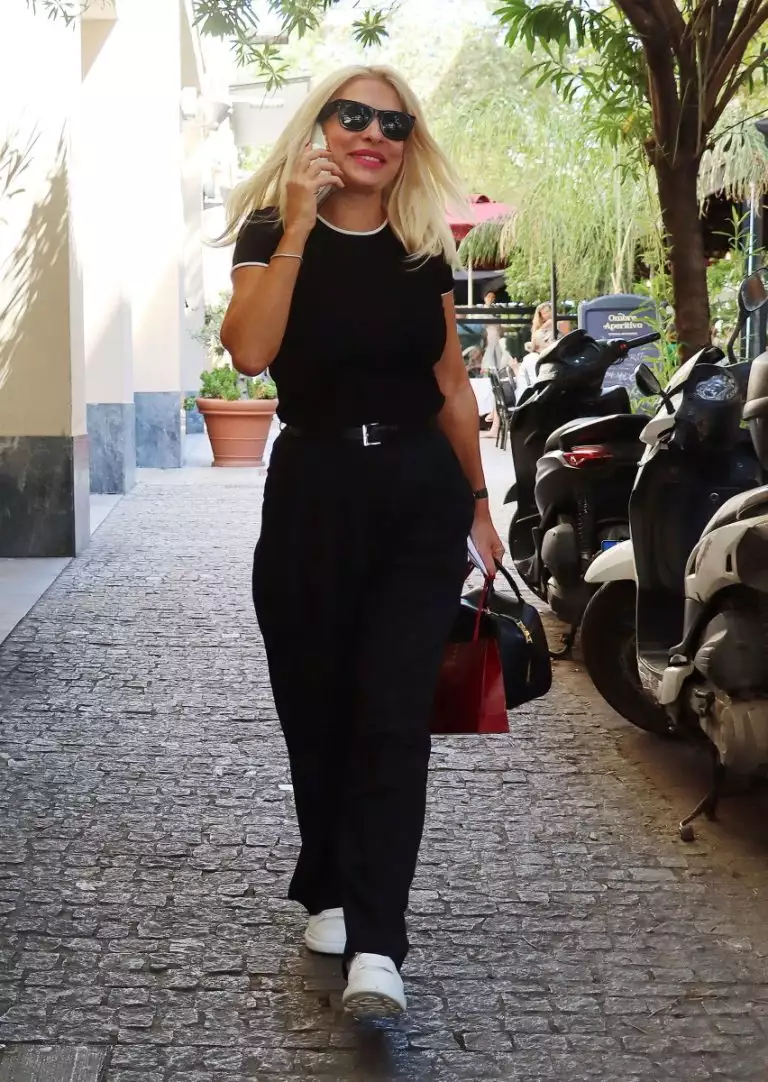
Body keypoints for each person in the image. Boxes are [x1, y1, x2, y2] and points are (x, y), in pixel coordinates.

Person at [219, 64, 504, 1019]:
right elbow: (250, 352)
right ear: (321, 127)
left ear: (409, 142)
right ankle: (332, 885)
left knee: (391, 713)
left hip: (417, 498)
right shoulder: (272, 232)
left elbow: (452, 385)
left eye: (394, 122)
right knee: (316, 707)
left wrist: (479, 505)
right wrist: (299, 225)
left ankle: (379, 945)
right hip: (314, 491)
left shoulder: (422, 248)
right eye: (354, 116)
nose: (373, 134)